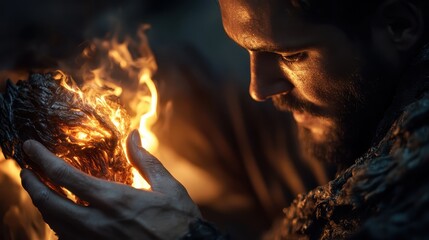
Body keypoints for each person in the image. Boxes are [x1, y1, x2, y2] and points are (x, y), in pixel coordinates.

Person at [20, 0, 429, 239]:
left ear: (398, 26)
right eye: (246, 49)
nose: (259, 87)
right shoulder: (360, 106)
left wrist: (182, 235)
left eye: (290, 55)